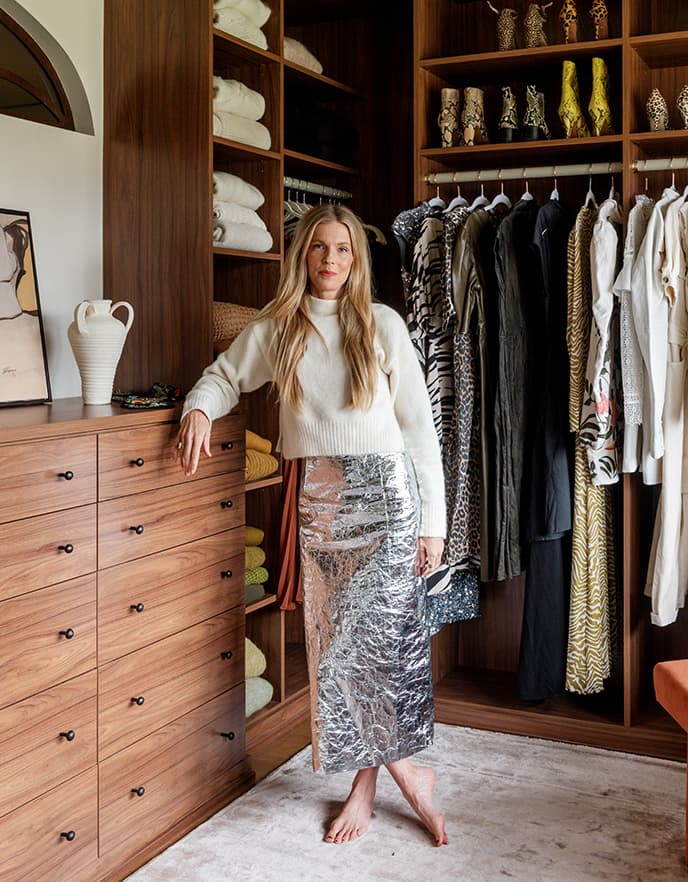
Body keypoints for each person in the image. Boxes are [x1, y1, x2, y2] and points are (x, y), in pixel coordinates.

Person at [176, 203, 448, 847]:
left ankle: (381, 782)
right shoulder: (279, 330)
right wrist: (197, 409)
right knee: (335, 652)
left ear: (357, 260)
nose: (331, 260)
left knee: (388, 644)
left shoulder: (382, 325)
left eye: (344, 250)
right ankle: (403, 771)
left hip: (388, 495)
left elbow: (419, 429)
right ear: (304, 257)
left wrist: (433, 523)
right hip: (321, 501)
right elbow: (223, 377)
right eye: (320, 248)